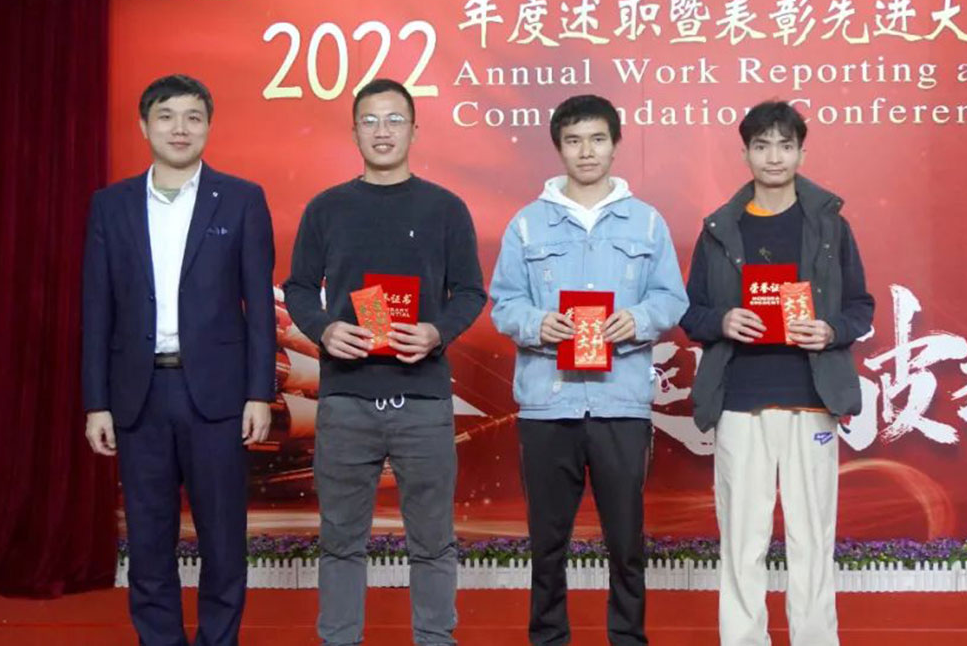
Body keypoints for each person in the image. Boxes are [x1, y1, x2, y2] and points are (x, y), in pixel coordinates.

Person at [282, 78, 487, 646]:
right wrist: (325, 330)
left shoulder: (446, 208)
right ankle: (339, 639)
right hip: (346, 400)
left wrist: (436, 332)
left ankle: (435, 638)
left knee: (433, 541)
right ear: (354, 132)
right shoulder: (326, 208)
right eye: (370, 120)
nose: (382, 131)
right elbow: (298, 288)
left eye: (394, 119)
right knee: (340, 541)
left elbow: (471, 292)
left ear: (415, 130)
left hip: (423, 401)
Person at [82, 73, 276, 646]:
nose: (180, 128)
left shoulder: (241, 199)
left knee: (223, 539)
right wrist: (96, 402)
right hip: (138, 395)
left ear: (209, 126)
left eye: (193, 117)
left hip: (217, 394)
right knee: (147, 539)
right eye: (166, 116)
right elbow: (96, 309)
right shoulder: (111, 205)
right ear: (144, 126)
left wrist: (259, 392)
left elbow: (259, 307)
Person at [489, 94, 688, 646]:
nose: (586, 151)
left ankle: (628, 638)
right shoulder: (527, 225)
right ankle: (548, 637)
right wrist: (537, 324)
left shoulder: (647, 223)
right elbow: (503, 303)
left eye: (598, 139)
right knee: (547, 542)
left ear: (615, 144)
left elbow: (672, 299)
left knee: (625, 542)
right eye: (574, 140)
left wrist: (637, 320)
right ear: (558, 147)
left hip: (620, 402)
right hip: (548, 403)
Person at [679, 101, 874, 646]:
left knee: (813, 536)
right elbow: (690, 311)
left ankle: (815, 638)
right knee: (743, 538)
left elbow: (860, 307)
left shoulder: (830, 225)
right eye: (761, 146)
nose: (773, 157)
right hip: (741, 401)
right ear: (745, 153)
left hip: (812, 397)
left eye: (785, 146)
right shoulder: (721, 228)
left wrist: (830, 330)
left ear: (801, 153)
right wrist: (722, 320)